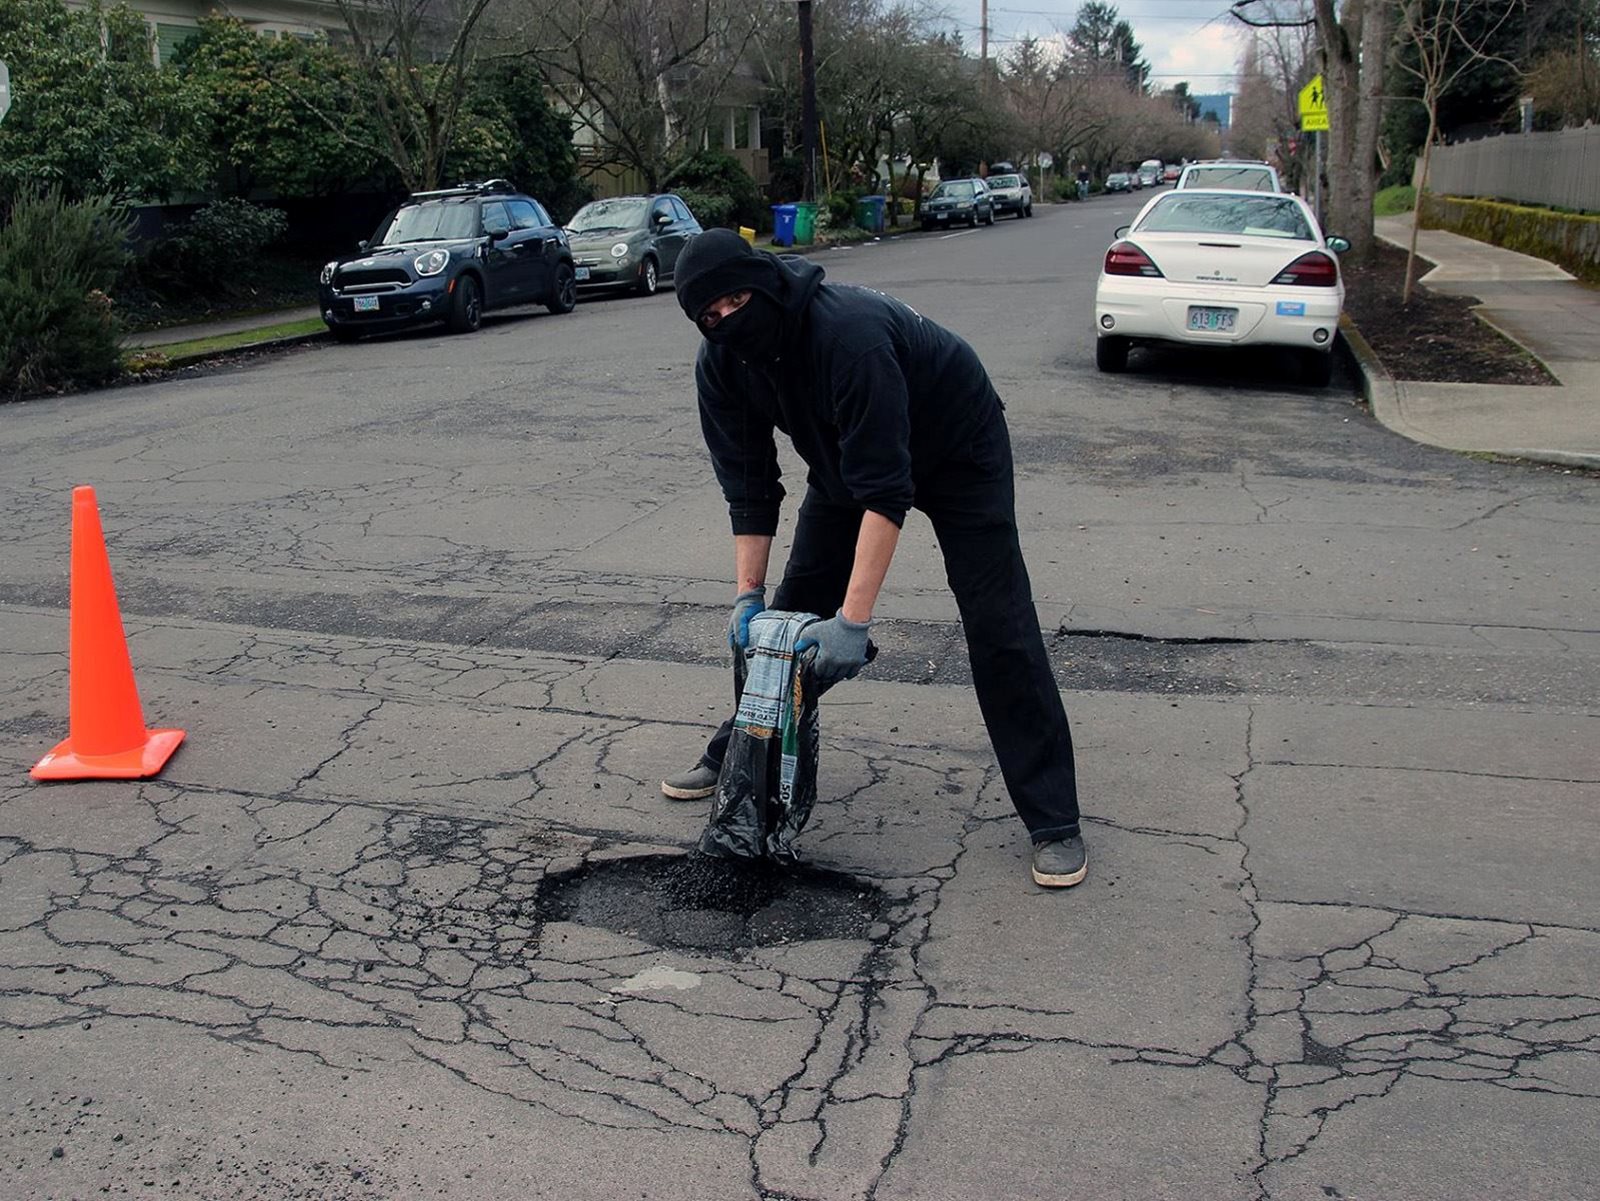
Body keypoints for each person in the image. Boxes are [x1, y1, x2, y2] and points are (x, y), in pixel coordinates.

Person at [657, 229, 1086, 889]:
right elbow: (748, 484)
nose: (727, 320)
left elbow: (887, 494)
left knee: (997, 622)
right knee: (788, 623)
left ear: (764, 283)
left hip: (958, 446)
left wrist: (853, 623)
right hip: (845, 461)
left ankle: (1054, 818)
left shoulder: (847, 335)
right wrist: (748, 596)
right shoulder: (722, 364)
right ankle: (740, 754)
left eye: (735, 300)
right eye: (709, 316)